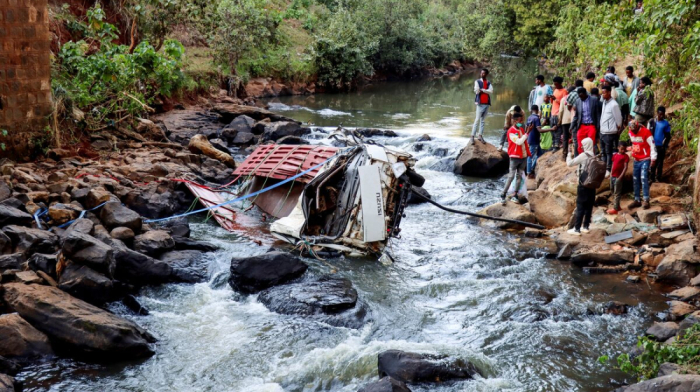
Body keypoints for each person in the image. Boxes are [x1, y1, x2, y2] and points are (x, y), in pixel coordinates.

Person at [566, 137, 596, 235]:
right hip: (592, 185)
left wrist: (569, 154)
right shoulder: (594, 155)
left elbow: (570, 163)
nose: (581, 146)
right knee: (589, 206)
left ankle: (577, 229)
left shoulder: (584, 155)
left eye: (583, 144)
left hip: (583, 185)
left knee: (580, 206)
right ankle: (586, 227)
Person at [502, 112, 530, 205]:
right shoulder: (511, 131)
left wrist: (527, 153)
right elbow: (518, 142)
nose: (521, 122)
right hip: (514, 157)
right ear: (514, 121)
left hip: (523, 156)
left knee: (519, 176)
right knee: (511, 176)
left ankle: (515, 194)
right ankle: (503, 194)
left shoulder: (521, 129)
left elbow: (524, 142)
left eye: (522, 120)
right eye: (519, 120)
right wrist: (527, 133)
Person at [628, 120, 657, 209]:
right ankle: (637, 199)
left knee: (644, 178)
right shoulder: (630, 132)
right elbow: (634, 143)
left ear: (638, 127)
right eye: (632, 131)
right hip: (636, 159)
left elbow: (652, 145)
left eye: (635, 130)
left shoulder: (646, 132)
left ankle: (646, 199)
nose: (634, 132)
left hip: (645, 158)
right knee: (635, 179)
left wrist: (653, 158)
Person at [599, 85, 623, 173]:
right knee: (603, 151)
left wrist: (618, 128)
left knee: (608, 151)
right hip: (603, 131)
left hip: (610, 132)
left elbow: (618, 118)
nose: (602, 95)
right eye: (602, 93)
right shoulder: (604, 102)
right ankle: (603, 167)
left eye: (604, 93)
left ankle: (608, 169)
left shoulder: (614, 105)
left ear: (609, 93)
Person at [571, 87, 601, 154]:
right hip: (582, 125)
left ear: (585, 93)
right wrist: (572, 126)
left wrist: (598, 126)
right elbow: (576, 116)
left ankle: (591, 159)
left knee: (591, 143)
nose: (581, 98)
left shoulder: (594, 100)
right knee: (580, 144)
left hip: (591, 125)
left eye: (582, 96)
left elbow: (598, 114)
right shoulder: (578, 101)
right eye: (579, 96)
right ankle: (582, 159)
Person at [648, 106, 671, 183]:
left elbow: (668, 136)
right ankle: (651, 178)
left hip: (660, 146)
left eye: (662, 114)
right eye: (659, 114)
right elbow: (647, 133)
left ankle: (658, 177)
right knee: (652, 161)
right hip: (652, 146)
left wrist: (665, 145)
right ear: (657, 113)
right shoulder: (651, 122)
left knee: (660, 162)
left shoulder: (665, 123)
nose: (661, 116)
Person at [607, 141, 630, 215]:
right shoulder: (615, 155)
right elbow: (613, 164)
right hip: (612, 176)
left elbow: (625, 167)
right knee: (612, 189)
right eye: (621, 149)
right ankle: (617, 205)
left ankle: (615, 208)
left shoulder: (625, 156)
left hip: (618, 177)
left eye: (624, 149)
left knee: (617, 192)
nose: (623, 151)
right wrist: (610, 173)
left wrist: (621, 176)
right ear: (618, 148)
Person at [471, 68, 493, 143]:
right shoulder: (477, 81)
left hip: (487, 103)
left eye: (484, 73)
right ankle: (472, 136)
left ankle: (480, 136)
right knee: (477, 120)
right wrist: (485, 90)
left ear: (486, 74)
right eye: (481, 73)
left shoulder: (488, 82)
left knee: (483, 121)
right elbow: (476, 91)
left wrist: (483, 90)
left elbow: (491, 91)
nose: (482, 74)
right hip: (480, 103)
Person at [559, 87, 575, 160]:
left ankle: (564, 155)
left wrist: (560, 120)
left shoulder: (563, 99)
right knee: (573, 137)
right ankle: (574, 153)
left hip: (565, 120)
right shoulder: (576, 98)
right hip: (573, 120)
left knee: (565, 138)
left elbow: (561, 111)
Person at [526, 105, 543, 178]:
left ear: (531, 110)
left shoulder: (529, 117)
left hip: (531, 138)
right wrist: (551, 129)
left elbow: (526, 128)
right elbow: (539, 130)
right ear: (537, 110)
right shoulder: (536, 118)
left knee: (539, 154)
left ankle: (531, 169)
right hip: (534, 140)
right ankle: (529, 172)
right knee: (530, 156)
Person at [551, 76, 567, 149]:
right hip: (553, 113)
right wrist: (551, 99)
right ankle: (553, 145)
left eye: (556, 84)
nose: (555, 85)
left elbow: (565, 104)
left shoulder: (564, 91)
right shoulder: (555, 90)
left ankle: (557, 146)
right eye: (554, 84)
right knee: (552, 130)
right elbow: (552, 102)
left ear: (560, 83)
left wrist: (556, 99)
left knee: (558, 130)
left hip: (559, 114)